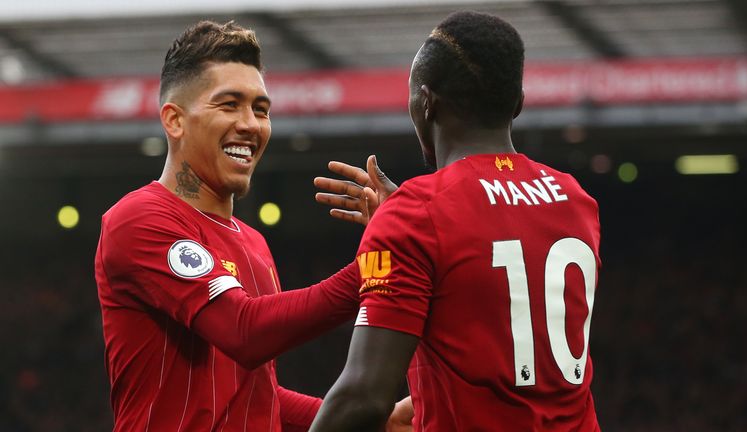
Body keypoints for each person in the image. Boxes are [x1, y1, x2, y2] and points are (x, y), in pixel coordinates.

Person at [94, 21, 410, 431]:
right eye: (229, 105)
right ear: (174, 120)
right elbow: (244, 331)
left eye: (261, 110)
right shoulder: (139, 219)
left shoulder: (255, 243)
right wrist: (380, 261)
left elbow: (256, 394)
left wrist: (375, 423)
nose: (251, 124)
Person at [309, 11, 602, 432]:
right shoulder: (576, 200)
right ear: (518, 103)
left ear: (426, 102)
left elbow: (364, 396)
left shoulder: (416, 215)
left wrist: (404, 220)